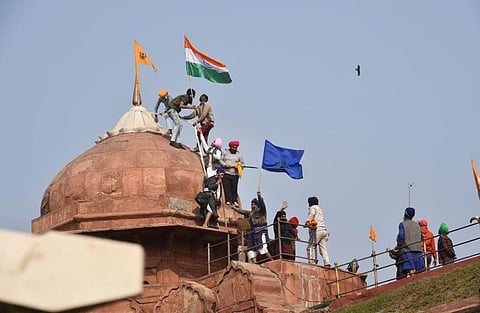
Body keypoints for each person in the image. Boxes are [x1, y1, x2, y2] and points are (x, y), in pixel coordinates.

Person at [232, 191, 273, 263]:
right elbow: (243, 211)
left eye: (254, 204)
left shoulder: (262, 212)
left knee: (262, 248)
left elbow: (263, 205)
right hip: (253, 233)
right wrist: (235, 208)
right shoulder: (251, 213)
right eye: (251, 204)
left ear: (257, 205)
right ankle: (255, 264)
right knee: (251, 250)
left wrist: (259, 197)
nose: (252, 205)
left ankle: (272, 261)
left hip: (261, 232)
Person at [395, 207, 425, 276]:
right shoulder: (417, 225)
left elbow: (401, 236)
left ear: (405, 214)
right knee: (420, 272)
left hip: (407, 251)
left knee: (411, 271)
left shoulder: (402, 224)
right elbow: (422, 237)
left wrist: (399, 245)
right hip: (418, 251)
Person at [305, 196, 331, 267]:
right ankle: (327, 263)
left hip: (317, 230)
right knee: (323, 248)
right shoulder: (319, 209)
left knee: (310, 247)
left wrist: (307, 223)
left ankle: (311, 263)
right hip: (324, 230)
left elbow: (311, 215)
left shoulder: (312, 208)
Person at [220, 140, 244, 207]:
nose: (234, 148)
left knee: (234, 188)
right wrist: (225, 165)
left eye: (235, 147)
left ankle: (234, 201)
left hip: (235, 174)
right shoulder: (225, 152)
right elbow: (220, 160)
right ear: (230, 147)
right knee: (227, 187)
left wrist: (239, 166)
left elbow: (243, 164)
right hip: (226, 173)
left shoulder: (239, 155)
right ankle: (228, 200)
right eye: (233, 147)